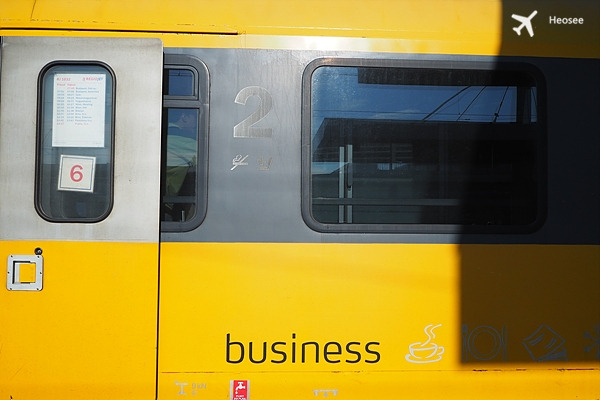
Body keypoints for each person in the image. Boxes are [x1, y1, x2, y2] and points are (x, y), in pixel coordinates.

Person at [164, 109, 198, 221]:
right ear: (184, 117)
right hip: (167, 203)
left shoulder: (164, 133)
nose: (195, 125)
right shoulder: (182, 139)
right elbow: (208, 158)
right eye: (194, 118)